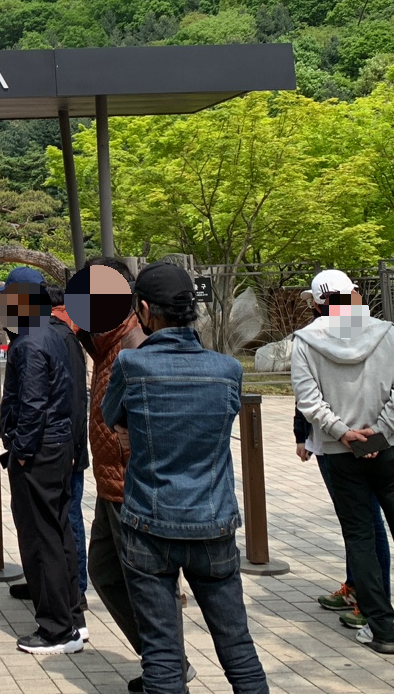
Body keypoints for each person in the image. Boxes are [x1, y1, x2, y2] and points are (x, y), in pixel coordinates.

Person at [103, 262, 268, 693]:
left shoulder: (131, 365)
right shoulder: (227, 369)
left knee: (162, 655)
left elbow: (111, 418)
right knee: (237, 646)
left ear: (143, 310)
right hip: (212, 525)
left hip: (148, 526)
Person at [292, 269, 394, 656]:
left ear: (316, 303)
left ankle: (382, 631)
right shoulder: (389, 334)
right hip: (391, 448)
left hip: (340, 450)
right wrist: (381, 431)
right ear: (356, 294)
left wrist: (342, 432)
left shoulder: (306, 341)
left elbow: (307, 398)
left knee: (360, 538)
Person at [67, 259, 196, 694]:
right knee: (105, 572)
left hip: (129, 485)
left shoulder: (136, 344)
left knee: (147, 585)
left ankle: (168, 666)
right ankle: (167, 660)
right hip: (110, 484)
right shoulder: (110, 338)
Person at [0, 267, 80, 655]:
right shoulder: (51, 333)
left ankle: (55, 628)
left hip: (39, 450)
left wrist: (22, 451)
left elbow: (31, 404)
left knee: (41, 535)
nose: (2, 304)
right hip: (58, 445)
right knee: (58, 529)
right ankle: (70, 613)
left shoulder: (30, 342)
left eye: (7, 298)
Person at [293, 407, 390, 632]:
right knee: (351, 521)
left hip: (361, 438)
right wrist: (302, 434)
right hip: (325, 440)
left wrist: (374, 434)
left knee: (369, 521)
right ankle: (356, 588)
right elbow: (304, 393)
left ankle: (376, 603)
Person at [46, 283, 92, 642]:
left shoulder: (61, 337)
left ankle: (74, 589)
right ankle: (61, 585)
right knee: (65, 515)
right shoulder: (71, 335)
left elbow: (69, 399)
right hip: (71, 443)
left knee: (67, 516)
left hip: (64, 447)